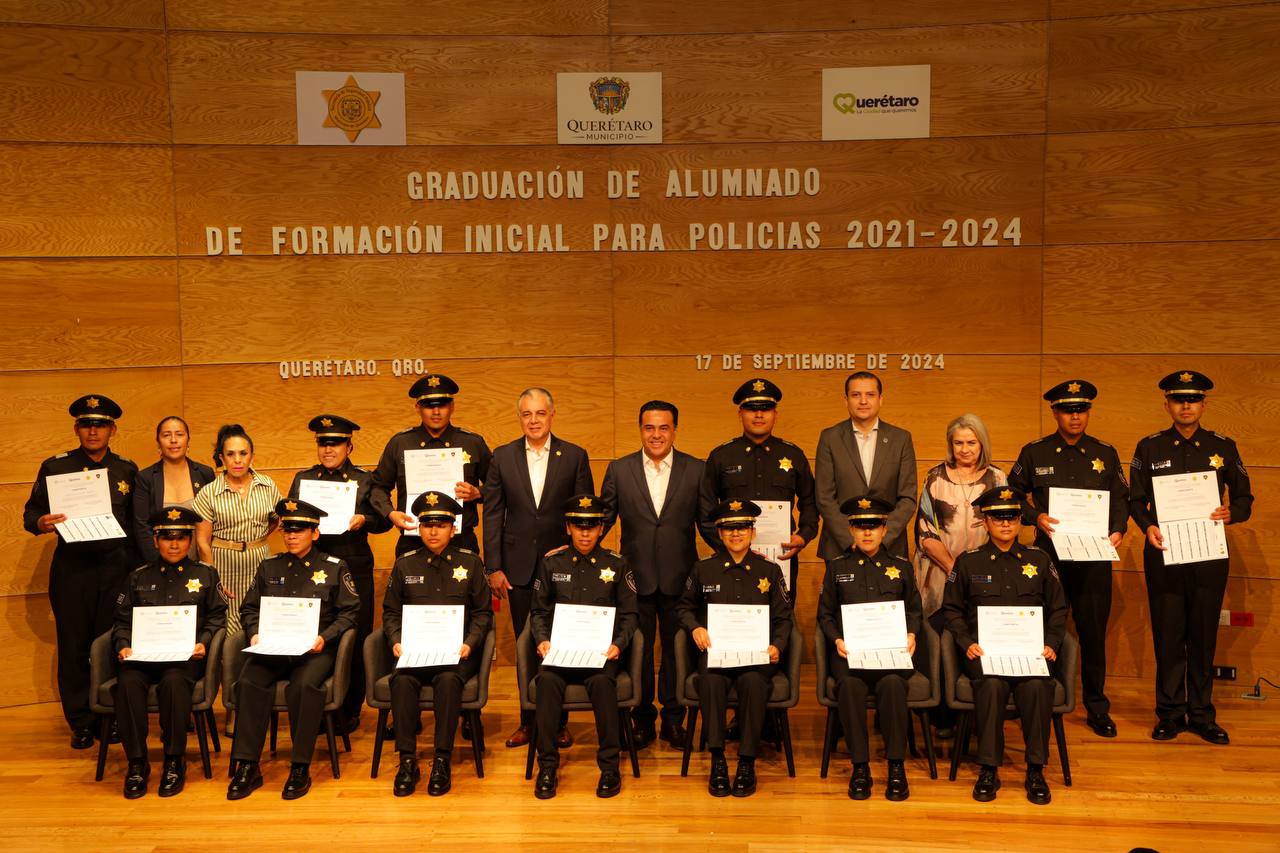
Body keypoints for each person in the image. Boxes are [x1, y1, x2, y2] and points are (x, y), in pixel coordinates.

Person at [1130, 370, 1253, 745]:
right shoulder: (1149, 447)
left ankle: (1200, 714)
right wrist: (1147, 525)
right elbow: (1134, 500)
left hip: (1207, 556)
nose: (1186, 405)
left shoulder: (1224, 446)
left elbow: (1245, 498)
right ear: (1166, 404)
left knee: (1202, 636)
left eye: (1193, 399)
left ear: (1203, 404)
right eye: (1179, 399)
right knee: (1168, 636)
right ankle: (1169, 713)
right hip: (1164, 552)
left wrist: (1233, 513)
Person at [1009, 381, 1128, 738]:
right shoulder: (1035, 452)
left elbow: (1121, 498)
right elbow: (1013, 493)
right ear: (1055, 413)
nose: (1075, 416)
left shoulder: (1105, 452)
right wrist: (1035, 518)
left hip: (1093, 557)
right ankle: (1040, 698)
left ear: (1088, 412)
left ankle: (1096, 707)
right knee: (1044, 631)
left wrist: (1118, 529)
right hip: (1049, 559)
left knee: (1092, 634)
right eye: (1067, 410)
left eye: (1081, 409)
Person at [23, 394, 138, 749]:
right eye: (87, 424)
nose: (93, 431)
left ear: (112, 429)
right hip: (73, 569)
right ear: (76, 428)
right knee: (74, 647)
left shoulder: (126, 470)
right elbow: (31, 514)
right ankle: (81, 721)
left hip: (115, 567)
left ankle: (112, 718)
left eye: (100, 424)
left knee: (111, 644)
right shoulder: (55, 467)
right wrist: (41, 522)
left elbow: (135, 526)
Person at [940, 486, 1068, 805]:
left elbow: (1059, 608)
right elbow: (952, 610)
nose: (1006, 524)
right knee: (992, 686)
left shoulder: (1039, 559)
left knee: (1037, 687)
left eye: (1011, 516)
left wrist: (1052, 643)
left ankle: (1035, 769)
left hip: (1031, 653)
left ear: (1020, 520)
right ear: (985, 522)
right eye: (998, 518)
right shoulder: (968, 562)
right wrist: (966, 642)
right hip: (984, 653)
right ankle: (988, 769)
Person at [482, 388, 593, 748]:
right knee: (527, 646)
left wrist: (574, 550)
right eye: (527, 414)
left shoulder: (574, 456)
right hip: (516, 570)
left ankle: (558, 722)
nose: (533, 420)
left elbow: (584, 512)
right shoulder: (502, 457)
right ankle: (528, 721)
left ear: (552, 415)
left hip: (563, 566)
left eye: (540, 413)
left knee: (560, 644)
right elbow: (494, 513)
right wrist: (493, 567)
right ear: (520, 418)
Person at [227, 499, 359, 801]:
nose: (291, 536)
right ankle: (248, 765)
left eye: (299, 530)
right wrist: (255, 632)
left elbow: (349, 613)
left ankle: (300, 767)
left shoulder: (334, 567)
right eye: (287, 530)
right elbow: (249, 609)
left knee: (303, 686)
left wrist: (325, 637)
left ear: (315, 533)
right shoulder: (269, 566)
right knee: (248, 682)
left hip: (314, 650)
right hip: (273, 648)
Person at [600, 400, 704, 750]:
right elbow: (603, 521)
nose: (656, 434)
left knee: (677, 653)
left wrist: (736, 554)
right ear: (640, 429)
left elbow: (706, 524)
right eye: (649, 427)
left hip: (681, 578)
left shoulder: (696, 470)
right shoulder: (619, 469)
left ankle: (674, 720)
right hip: (635, 579)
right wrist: (568, 550)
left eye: (664, 427)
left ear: (675, 430)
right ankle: (642, 718)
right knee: (639, 653)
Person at [677, 499, 793, 798]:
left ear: (752, 532)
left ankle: (746, 762)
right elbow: (684, 608)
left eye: (742, 527)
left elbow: (783, 618)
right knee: (712, 680)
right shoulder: (704, 569)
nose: (736, 534)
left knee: (753, 682)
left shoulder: (769, 570)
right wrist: (696, 628)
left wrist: (777, 646)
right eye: (729, 528)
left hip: (757, 656)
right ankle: (717, 759)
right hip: (717, 653)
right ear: (719, 533)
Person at [111, 506, 227, 798]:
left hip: (185, 658)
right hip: (143, 656)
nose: (174, 544)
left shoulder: (205, 574)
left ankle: (174, 760)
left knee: (174, 682)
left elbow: (217, 617)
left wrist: (204, 641)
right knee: (126, 683)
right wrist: (122, 645)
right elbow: (122, 621)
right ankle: (137, 763)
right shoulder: (137, 577)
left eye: (181, 538)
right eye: (166, 538)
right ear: (155, 540)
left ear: (190, 541)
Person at [382, 491, 491, 797]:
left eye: (440, 524)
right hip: (414, 651)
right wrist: (396, 641)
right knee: (402, 681)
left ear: (453, 528)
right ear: (418, 527)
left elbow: (483, 613)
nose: (432, 531)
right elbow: (390, 612)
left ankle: (442, 760)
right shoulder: (405, 565)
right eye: (427, 524)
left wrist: (470, 643)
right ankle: (407, 761)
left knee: (447, 681)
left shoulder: (470, 563)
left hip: (457, 654)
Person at [529, 494, 638, 800]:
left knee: (603, 683)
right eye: (579, 525)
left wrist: (618, 645)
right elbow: (538, 612)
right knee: (547, 681)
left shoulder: (617, 564)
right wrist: (542, 640)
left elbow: (630, 615)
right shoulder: (551, 563)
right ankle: (547, 767)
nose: (585, 532)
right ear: (568, 527)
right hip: (559, 653)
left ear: (602, 529)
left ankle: (609, 767)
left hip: (600, 655)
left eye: (592, 526)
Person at [288, 414, 391, 732]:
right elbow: (294, 520)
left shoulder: (364, 480)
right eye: (323, 442)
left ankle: (349, 709)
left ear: (349, 446)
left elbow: (384, 520)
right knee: (317, 637)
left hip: (353, 567)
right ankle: (318, 706)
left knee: (355, 638)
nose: (329, 449)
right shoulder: (303, 480)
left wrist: (365, 520)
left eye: (335, 443)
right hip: (313, 569)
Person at [818, 495, 921, 801]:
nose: (866, 533)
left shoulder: (901, 567)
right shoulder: (837, 568)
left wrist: (912, 633)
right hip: (850, 654)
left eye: (873, 526)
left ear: (883, 529)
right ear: (850, 529)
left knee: (892, 685)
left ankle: (895, 767)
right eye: (860, 526)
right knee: (849, 686)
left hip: (891, 653)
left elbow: (914, 609)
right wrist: (837, 639)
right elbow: (824, 613)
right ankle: (860, 767)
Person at [698, 377, 817, 599]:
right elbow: (705, 509)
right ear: (740, 413)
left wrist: (804, 535)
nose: (759, 415)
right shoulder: (721, 456)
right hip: (730, 560)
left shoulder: (793, 455)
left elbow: (810, 500)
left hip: (781, 555)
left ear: (775, 414)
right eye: (752, 408)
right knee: (732, 617)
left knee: (780, 619)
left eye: (766, 408)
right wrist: (726, 546)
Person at [370, 374, 491, 558]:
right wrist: (390, 513)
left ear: (452, 407)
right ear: (418, 407)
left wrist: (478, 493)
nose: (436, 412)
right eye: (429, 406)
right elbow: (378, 487)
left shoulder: (472, 443)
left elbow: (498, 487)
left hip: (460, 540)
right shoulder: (400, 443)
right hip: (413, 540)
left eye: (442, 405)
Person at [815, 371, 918, 561]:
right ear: (846, 400)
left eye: (870, 395)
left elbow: (908, 497)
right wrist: (850, 537)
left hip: (889, 546)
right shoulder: (830, 437)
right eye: (856, 395)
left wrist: (882, 536)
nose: (863, 401)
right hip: (842, 547)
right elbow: (824, 497)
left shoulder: (901, 439)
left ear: (880, 399)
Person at [192, 424, 280, 637]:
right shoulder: (208, 493)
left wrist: (254, 540)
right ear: (221, 458)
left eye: (243, 453)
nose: (237, 460)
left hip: (260, 560)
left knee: (260, 620)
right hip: (224, 565)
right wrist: (214, 581)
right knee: (228, 625)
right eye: (230, 454)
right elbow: (202, 541)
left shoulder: (267, 485)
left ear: (252, 456)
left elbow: (275, 521)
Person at [131, 416, 215, 563]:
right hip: (159, 565)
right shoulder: (145, 478)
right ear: (158, 442)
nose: (173, 440)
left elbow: (216, 522)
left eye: (179, 434)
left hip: (199, 563)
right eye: (166, 435)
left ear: (188, 440)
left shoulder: (205, 474)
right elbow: (142, 527)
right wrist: (157, 566)